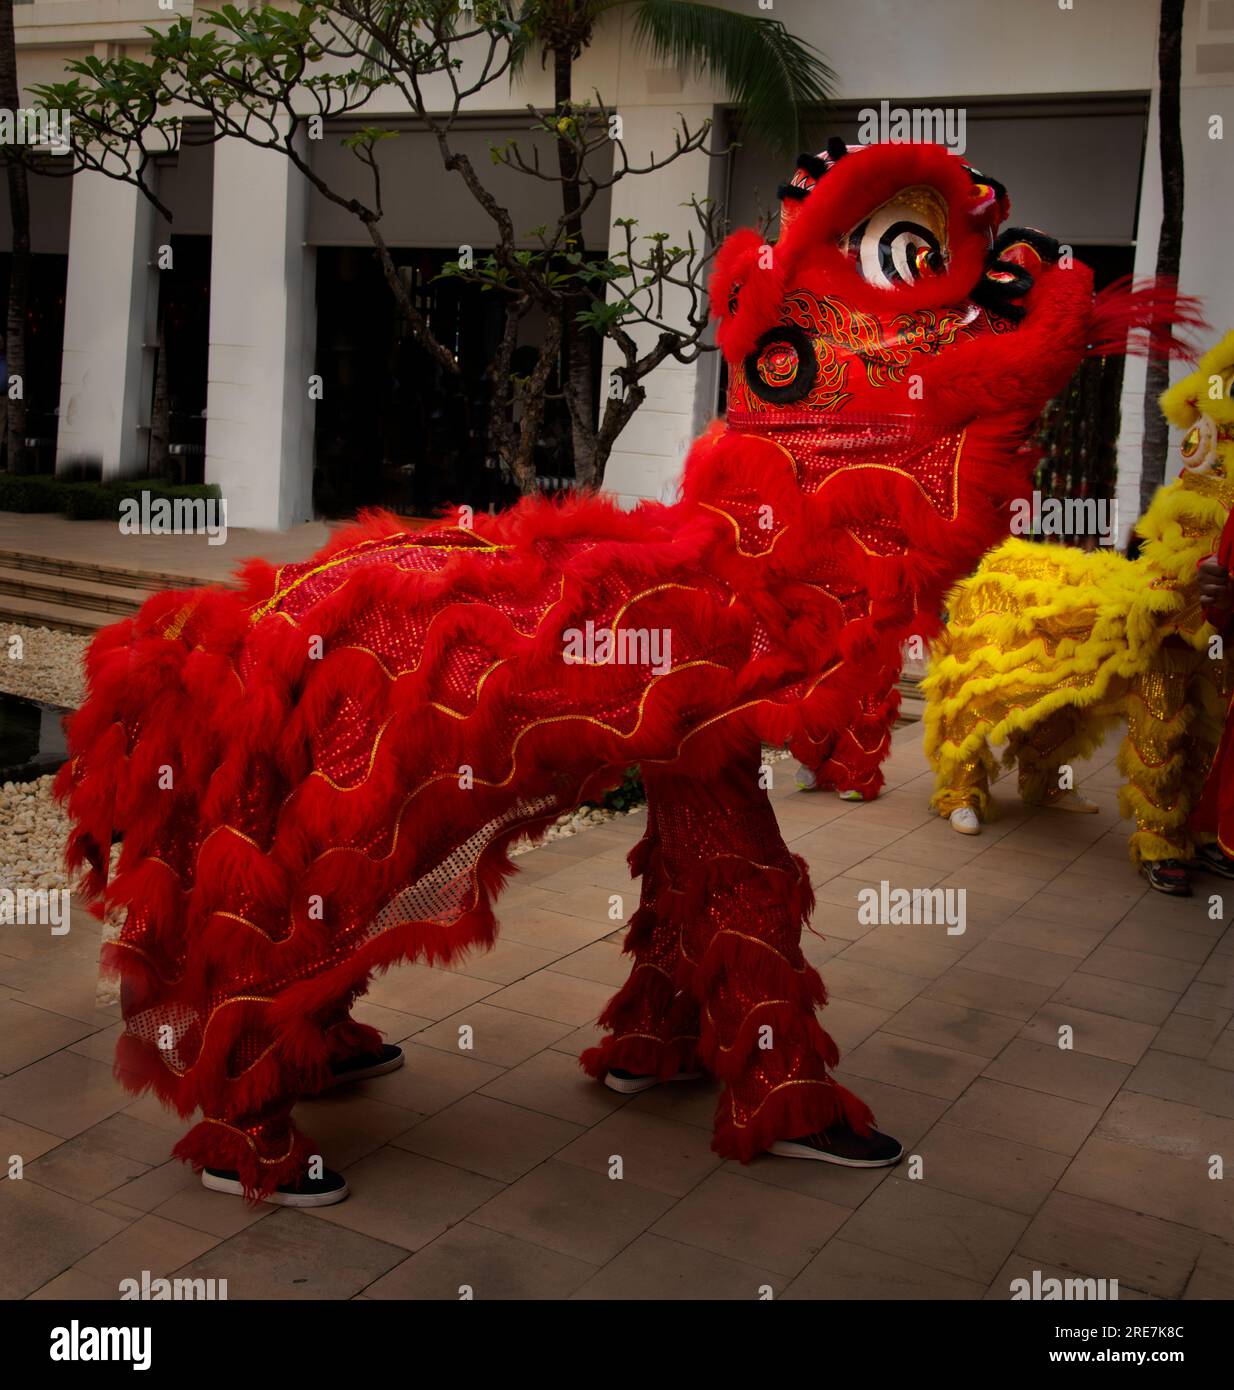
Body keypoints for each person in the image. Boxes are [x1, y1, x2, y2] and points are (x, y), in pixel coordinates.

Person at [59, 139, 1196, 1203]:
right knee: (379, 817)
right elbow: (983, 365)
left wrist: (1024, 302)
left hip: (695, 611)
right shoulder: (814, 343)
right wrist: (1036, 302)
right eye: (916, 250)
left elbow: (970, 383)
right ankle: (244, 1091)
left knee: (712, 797)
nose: (945, 279)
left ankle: (680, 1035)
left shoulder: (819, 396)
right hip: (597, 632)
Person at [922, 330, 1234, 896]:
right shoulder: (1213, 454)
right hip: (1172, 608)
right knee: (1152, 714)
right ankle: (966, 787)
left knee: (1205, 721)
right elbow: (1182, 537)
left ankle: (1172, 821)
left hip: (1215, 616)